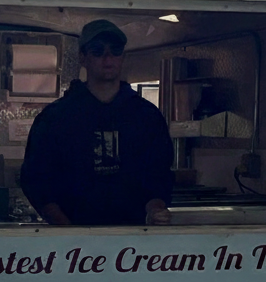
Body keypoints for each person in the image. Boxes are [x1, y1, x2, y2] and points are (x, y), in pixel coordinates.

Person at [21, 19, 173, 226]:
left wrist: (155, 210)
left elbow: (159, 176)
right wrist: (68, 232)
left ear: (123, 56)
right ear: (83, 57)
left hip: (136, 238)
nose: (108, 58)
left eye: (115, 51)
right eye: (98, 51)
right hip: (72, 240)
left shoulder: (147, 117)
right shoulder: (55, 118)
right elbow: (37, 181)